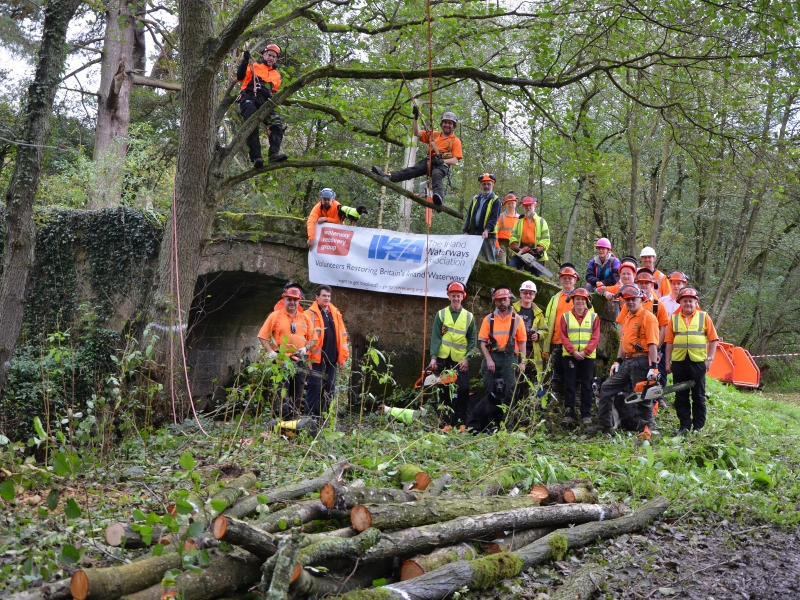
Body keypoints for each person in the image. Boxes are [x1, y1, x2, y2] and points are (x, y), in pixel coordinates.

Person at [596, 285, 660, 438]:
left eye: (633, 299)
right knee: (607, 387)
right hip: (628, 361)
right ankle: (606, 426)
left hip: (642, 360)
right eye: (628, 300)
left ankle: (645, 430)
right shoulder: (627, 317)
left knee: (642, 396)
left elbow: (652, 343)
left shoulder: (648, 317)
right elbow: (623, 342)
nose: (630, 302)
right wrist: (618, 360)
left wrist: (654, 367)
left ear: (641, 299)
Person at [371, 109, 462, 205]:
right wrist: (415, 118)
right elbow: (416, 133)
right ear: (442, 123)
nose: (447, 125)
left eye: (450, 123)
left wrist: (442, 161)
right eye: (445, 122)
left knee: (436, 173)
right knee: (412, 170)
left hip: (443, 165)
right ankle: (389, 176)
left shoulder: (455, 141)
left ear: (453, 126)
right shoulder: (434, 135)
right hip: (430, 160)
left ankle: (438, 196)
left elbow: (455, 160)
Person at [665, 287, 719, 434]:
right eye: (685, 301)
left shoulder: (704, 317)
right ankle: (684, 426)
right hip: (679, 363)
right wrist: (667, 362)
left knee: (698, 396)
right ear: (680, 303)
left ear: (696, 302)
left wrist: (710, 359)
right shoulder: (674, 319)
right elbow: (669, 342)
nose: (688, 303)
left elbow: (714, 339)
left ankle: (698, 427)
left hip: (698, 362)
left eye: (691, 300)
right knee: (681, 396)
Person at [257, 285, 317, 418]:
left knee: (297, 392)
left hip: (299, 360)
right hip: (280, 359)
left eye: (295, 300)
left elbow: (314, 339)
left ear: (299, 301)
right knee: (281, 392)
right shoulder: (275, 316)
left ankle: (293, 420)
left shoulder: (305, 318)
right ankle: (279, 422)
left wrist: (305, 348)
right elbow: (262, 336)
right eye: (289, 299)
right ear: (284, 300)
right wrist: (270, 352)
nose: (292, 302)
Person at [429, 281, 477, 429]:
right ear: (448, 296)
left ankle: (460, 422)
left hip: (460, 361)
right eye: (453, 296)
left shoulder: (469, 317)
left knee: (463, 389)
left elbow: (472, 340)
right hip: (443, 359)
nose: (456, 298)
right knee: (444, 390)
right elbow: (436, 337)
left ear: (463, 297)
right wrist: (433, 358)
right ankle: (445, 422)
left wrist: (467, 359)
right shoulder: (441, 314)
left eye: (458, 296)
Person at [236, 44, 288, 168]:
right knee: (252, 122)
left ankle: (273, 154)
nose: (271, 58)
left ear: (276, 59)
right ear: (264, 54)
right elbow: (240, 77)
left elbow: (273, 92)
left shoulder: (276, 75)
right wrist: (244, 61)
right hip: (249, 97)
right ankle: (256, 158)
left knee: (277, 124)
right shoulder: (254, 66)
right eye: (269, 55)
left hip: (265, 101)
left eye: (274, 57)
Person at [478, 285, 527, 411]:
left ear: (509, 300)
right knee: (490, 389)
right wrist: (488, 359)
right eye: (499, 300)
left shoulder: (517, 319)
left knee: (510, 389)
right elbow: (483, 342)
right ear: (495, 301)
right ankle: (490, 423)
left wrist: (523, 362)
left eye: (505, 299)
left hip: (510, 359)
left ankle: (507, 423)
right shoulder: (489, 319)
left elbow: (522, 343)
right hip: (493, 357)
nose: (502, 303)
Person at [305, 285, 349, 420]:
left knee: (330, 388)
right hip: (315, 359)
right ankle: (311, 417)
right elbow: (304, 338)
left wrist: (343, 358)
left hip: (332, 358)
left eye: (329, 296)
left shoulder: (335, 313)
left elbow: (343, 337)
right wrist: (307, 359)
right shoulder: (309, 314)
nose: (327, 298)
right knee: (314, 387)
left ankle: (325, 417)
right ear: (317, 297)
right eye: (324, 296)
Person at [560, 288, 600, 426]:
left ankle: (586, 414)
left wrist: (585, 352)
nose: (580, 302)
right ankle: (569, 413)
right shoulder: (565, 317)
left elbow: (595, 337)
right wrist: (573, 352)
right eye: (577, 299)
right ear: (573, 300)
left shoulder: (594, 317)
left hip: (587, 356)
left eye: (583, 299)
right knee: (569, 385)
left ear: (587, 301)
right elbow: (563, 336)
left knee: (587, 385)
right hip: (570, 356)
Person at [543, 264, 580, 395]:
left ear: (575, 279)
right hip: (557, 340)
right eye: (564, 277)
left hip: (574, 342)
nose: (567, 280)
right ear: (560, 279)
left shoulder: (580, 297)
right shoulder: (555, 299)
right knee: (556, 372)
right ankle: (556, 398)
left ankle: (573, 399)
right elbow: (547, 320)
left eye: (570, 278)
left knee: (575, 373)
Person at [512, 280, 547, 382]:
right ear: (520, 293)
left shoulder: (538, 313)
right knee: (515, 381)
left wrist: (538, 335)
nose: (528, 295)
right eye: (525, 293)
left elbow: (545, 330)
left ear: (534, 295)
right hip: (516, 350)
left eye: (531, 293)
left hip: (532, 351)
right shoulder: (512, 310)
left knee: (531, 382)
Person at [462, 173, 501, 262]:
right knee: (469, 258)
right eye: (484, 184)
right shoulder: (475, 198)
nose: (486, 186)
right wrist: (465, 230)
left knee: (489, 260)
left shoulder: (496, 200)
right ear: (481, 185)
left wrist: (487, 230)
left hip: (488, 235)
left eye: (488, 184)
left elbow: (494, 218)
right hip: (473, 233)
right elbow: (469, 216)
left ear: (493, 184)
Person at [508, 196, 551, 276]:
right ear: (523, 206)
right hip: (521, 252)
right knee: (510, 269)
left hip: (536, 254)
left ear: (534, 205)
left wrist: (537, 249)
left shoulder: (541, 221)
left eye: (530, 205)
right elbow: (513, 236)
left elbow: (546, 239)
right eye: (526, 206)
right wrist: (517, 248)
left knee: (537, 276)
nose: (528, 207)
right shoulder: (518, 222)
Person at [494, 193, 520, 265]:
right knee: (501, 265)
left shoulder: (520, 219)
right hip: (502, 244)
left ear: (515, 204)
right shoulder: (500, 216)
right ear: (505, 204)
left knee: (513, 268)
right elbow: (495, 232)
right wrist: (497, 246)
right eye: (509, 203)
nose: (511, 205)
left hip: (515, 245)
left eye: (512, 203)